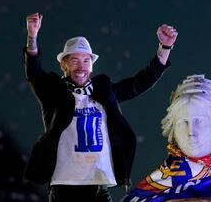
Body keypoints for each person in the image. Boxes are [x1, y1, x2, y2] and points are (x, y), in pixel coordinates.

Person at [23, 12, 178, 202]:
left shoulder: (104, 92)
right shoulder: (55, 94)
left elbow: (139, 83)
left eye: (86, 61)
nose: (81, 67)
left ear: (92, 66)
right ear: (64, 65)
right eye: (75, 61)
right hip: (65, 185)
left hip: (98, 185)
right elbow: (34, 73)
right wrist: (32, 37)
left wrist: (165, 47)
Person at [122, 75, 211, 202]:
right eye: (183, 123)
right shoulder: (147, 190)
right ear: (173, 132)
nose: (191, 131)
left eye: (199, 121)